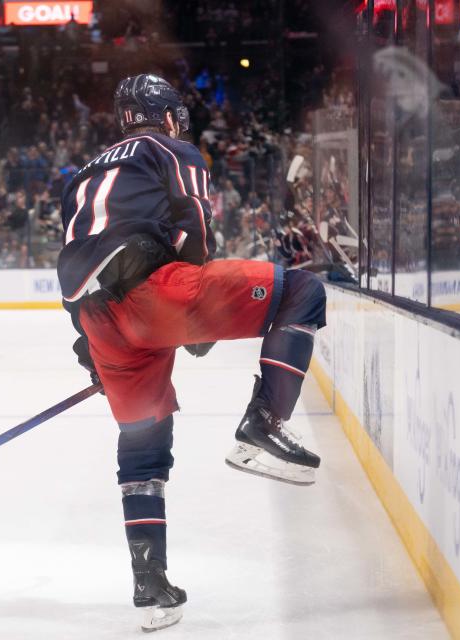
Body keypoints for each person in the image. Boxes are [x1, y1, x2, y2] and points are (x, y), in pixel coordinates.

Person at [58, 75, 327, 632]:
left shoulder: (84, 172)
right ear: (164, 112)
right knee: (303, 291)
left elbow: (74, 256)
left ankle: (151, 587)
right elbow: (194, 223)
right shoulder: (170, 147)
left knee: (143, 439)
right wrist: (195, 314)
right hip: (156, 292)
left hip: (98, 318)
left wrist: (91, 347)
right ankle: (264, 425)